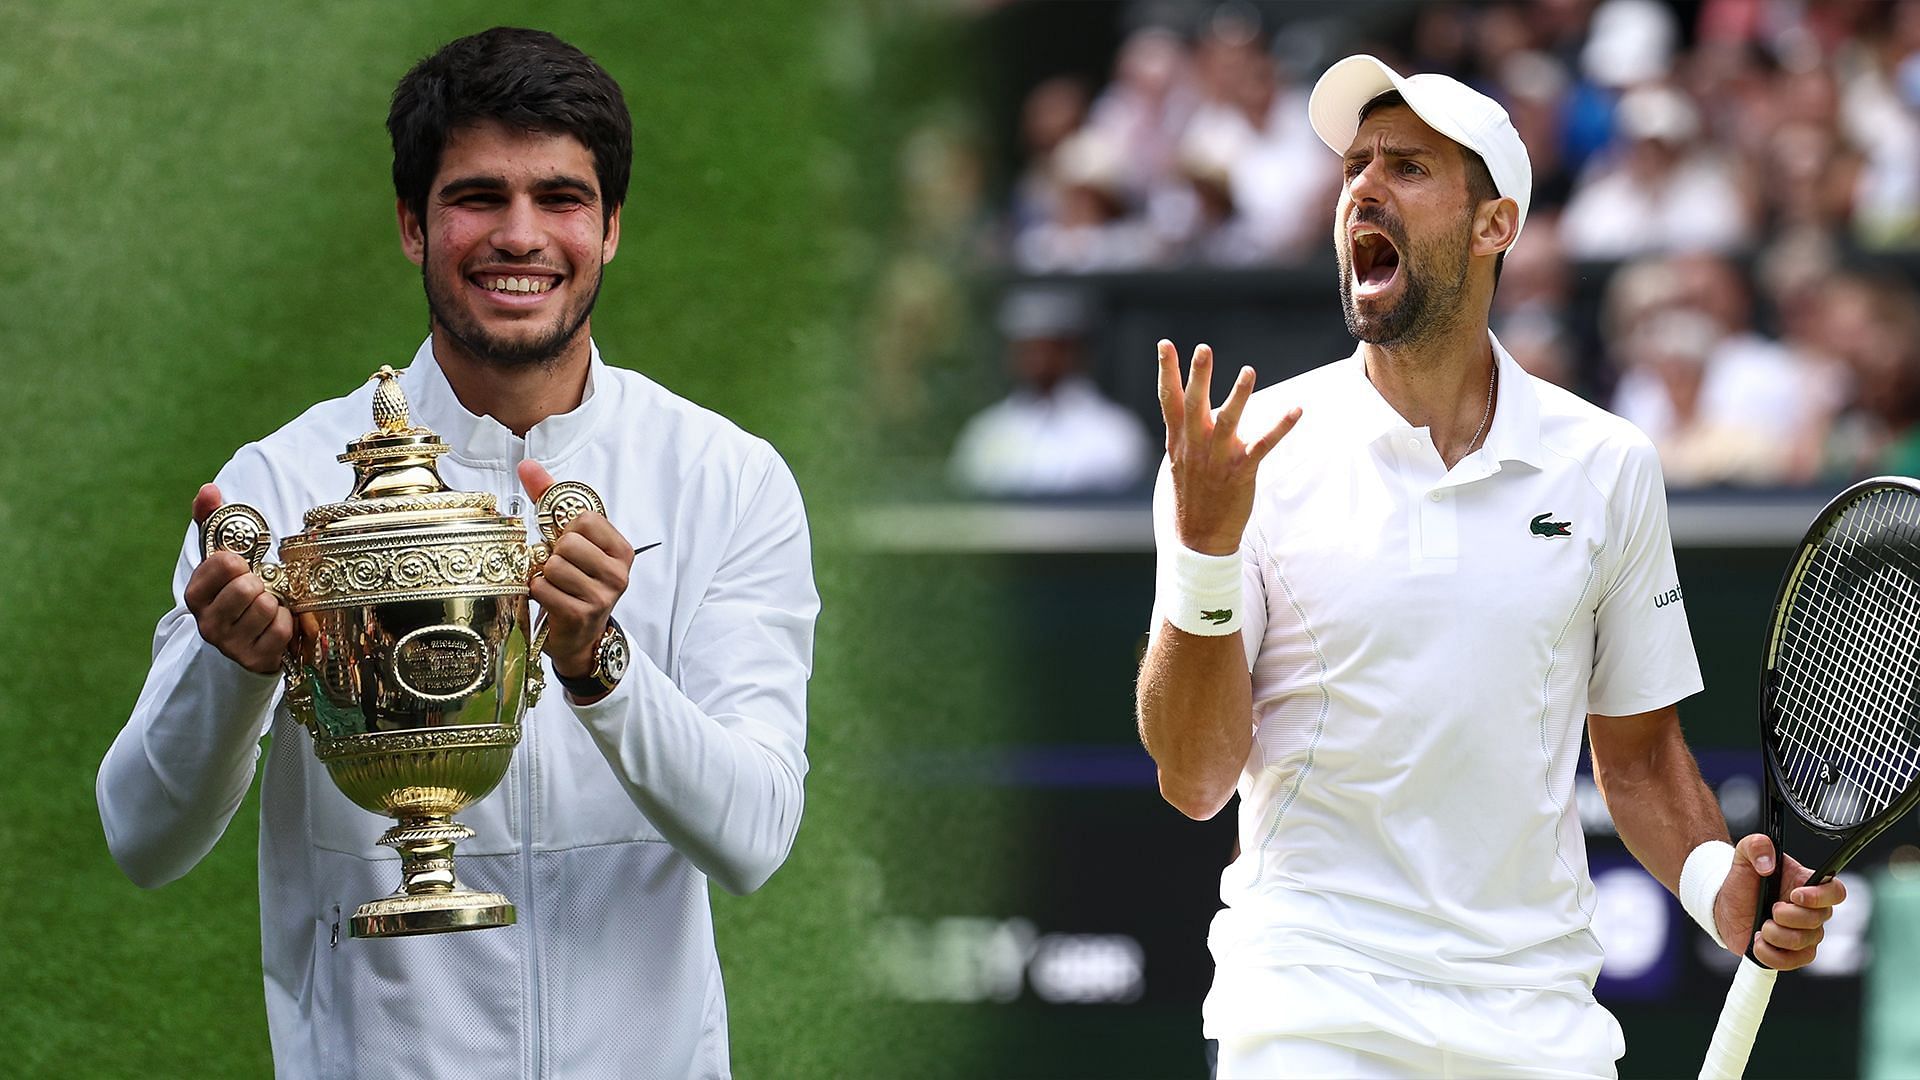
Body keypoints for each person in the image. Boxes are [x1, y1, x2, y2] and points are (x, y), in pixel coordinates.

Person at [96, 28, 816, 1079]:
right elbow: (142, 838)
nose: (521, 236)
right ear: (411, 226)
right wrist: (232, 665)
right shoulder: (284, 487)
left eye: (561, 199)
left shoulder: (726, 478)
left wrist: (596, 665)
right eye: (478, 197)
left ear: (610, 228)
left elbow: (753, 836)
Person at [1135, 55, 1846, 1078]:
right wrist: (1204, 551)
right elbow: (1196, 779)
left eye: (1410, 167)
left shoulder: (1607, 464)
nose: (1364, 188)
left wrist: (1711, 884)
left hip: (1538, 1026)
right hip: (1311, 1018)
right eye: (1353, 168)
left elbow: (1640, 760)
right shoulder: (1239, 461)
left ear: (1494, 225)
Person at [948, 285, 1151, 496]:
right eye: (1027, 349)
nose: (1038, 360)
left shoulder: (1116, 432)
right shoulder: (987, 432)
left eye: (1050, 348)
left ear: (1074, 351)